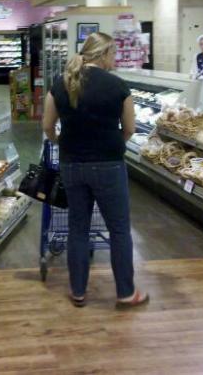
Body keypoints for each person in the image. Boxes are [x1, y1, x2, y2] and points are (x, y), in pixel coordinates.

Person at [42, 32, 148, 309]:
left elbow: (47, 126)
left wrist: (61, 142)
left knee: (78, 228)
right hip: (109, 165)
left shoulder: (61, 83)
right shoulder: (117, 85)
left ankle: (78, 291)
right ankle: (126, 292)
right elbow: (130, 128)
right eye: (113, 54)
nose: (114, 60)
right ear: (103, 54)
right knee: (119, 229)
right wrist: (112, 144)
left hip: (72, 164)